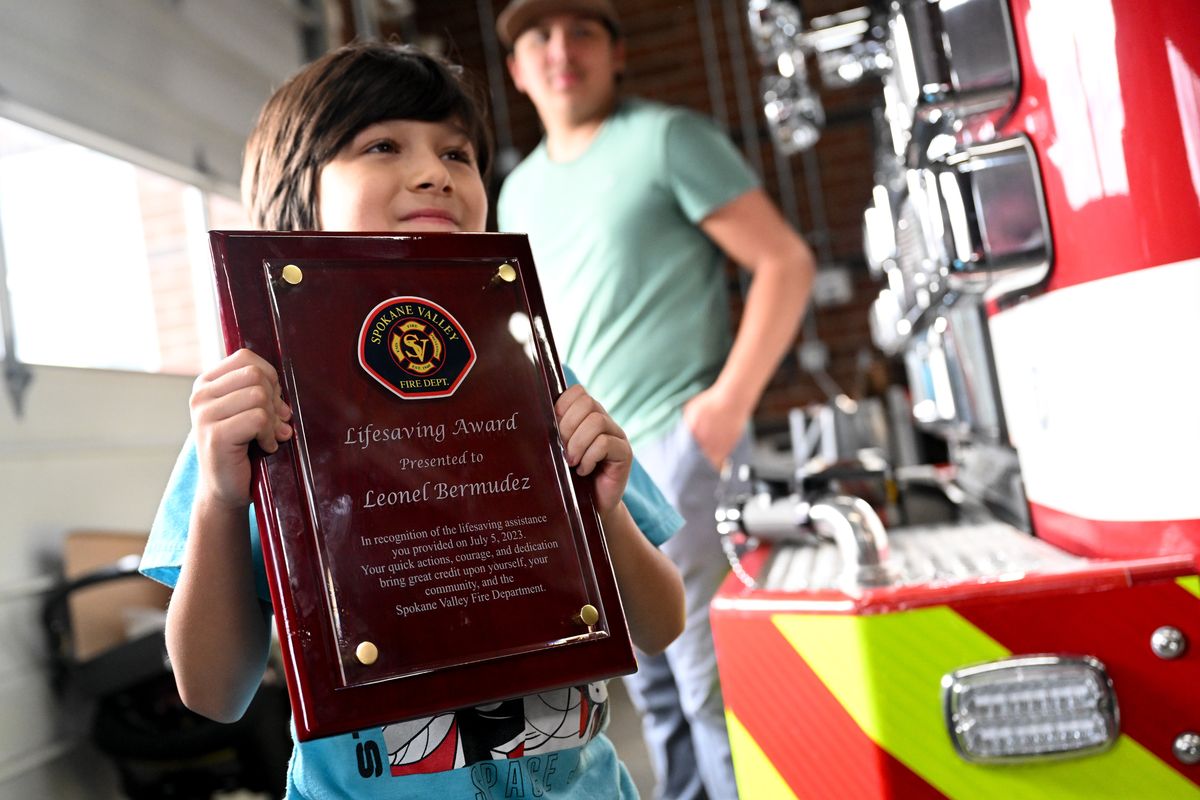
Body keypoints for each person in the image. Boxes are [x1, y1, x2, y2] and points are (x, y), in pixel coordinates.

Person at [140, 41, 686, 799]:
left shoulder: (539, 378)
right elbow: (212, 692)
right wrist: (219, 499)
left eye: (459, 154)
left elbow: (660, 627)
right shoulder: (253, 404)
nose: (436, 173)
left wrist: (605, 512)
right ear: (299, 197)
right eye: (383, 146)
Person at [495, 2, 817, 798]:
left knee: (712, 688)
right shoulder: (516, 194)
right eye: (539, 34)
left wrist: (725, 407)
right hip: (588, 468)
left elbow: (784, 261)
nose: (560, 48)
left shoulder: (667, 139)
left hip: (676, 446)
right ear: (515, 68)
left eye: (583, 31)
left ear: (618, 53)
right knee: (653, 691)